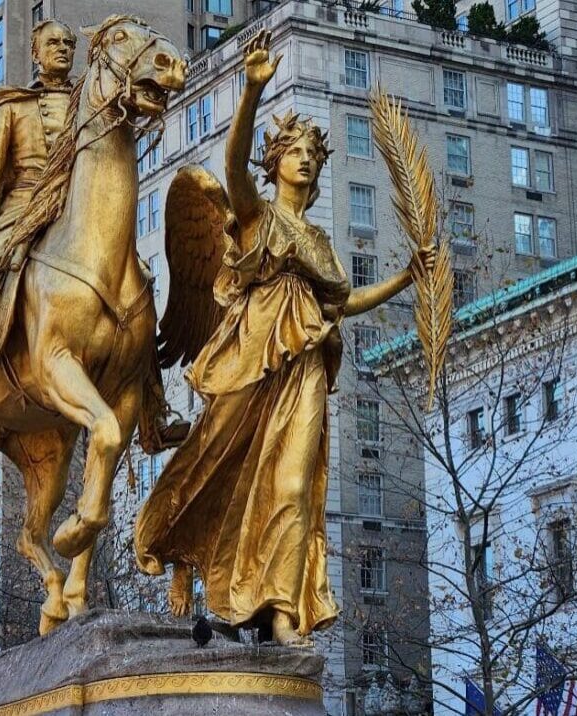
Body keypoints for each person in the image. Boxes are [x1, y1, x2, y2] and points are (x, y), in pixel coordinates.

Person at [134, 31, 434, 646]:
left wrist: (406, 276)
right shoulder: (255, 217)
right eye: (294, 151)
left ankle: (282, 613)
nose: (304, 159)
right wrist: (250, 88)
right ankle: (185, 551)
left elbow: (342, 303)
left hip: (304, 372)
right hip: (252, 365)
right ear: (274, 164)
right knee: (213, 460)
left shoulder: (320, 244)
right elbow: (230, 163)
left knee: (295, 487)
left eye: (311, 155)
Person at [0, 19, 187, 450]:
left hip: (69, 214)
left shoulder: (89, 103)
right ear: (35, 52)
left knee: (136, 287)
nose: (62, 48)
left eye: (69, 42)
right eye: (52, 42)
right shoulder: (11, 110)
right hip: (17, 215)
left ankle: (153, 410)